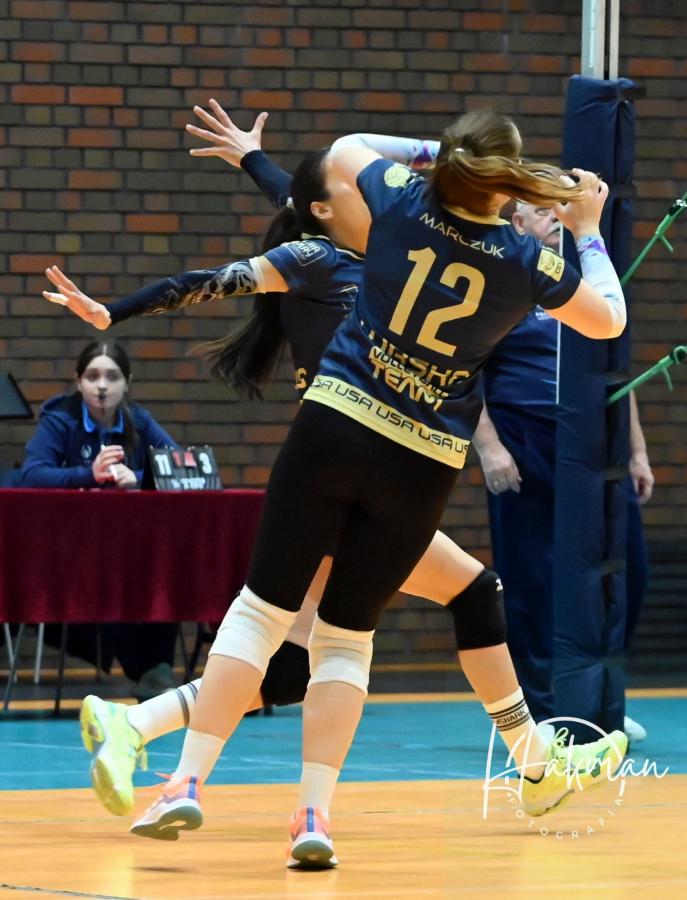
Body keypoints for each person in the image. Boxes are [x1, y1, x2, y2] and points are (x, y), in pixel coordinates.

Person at [45, 110, 629, 868]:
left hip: (337, 427)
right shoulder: (521, 260)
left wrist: (431, 154)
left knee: (266, 622)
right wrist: (587, 229)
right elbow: (607, 320)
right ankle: (315, 809)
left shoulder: (395, 206)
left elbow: (343, 156)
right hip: (420, 459)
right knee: (346, 640)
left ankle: (179, 775)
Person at [472, 201, 653, 743]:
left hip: (596, 446)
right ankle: (543, 711)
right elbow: (463, 374)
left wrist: (636, 450)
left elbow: (615, 371)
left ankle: (602, 701)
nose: (555, 216)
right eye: (541, 210)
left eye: (561, 209)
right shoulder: (501, 283)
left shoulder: (586, 285)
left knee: (626, 567)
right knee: (531, 577)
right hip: (525, 440)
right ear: (517, 224)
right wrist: (489, 448)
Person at [19, 340, 180, 699]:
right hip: (69, 549)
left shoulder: (139, 420)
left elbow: (180, 464)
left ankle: (158, 670)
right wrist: (89, 475)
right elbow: (32, 475)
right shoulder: (61, 419)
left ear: (127, 382)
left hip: (131, 545)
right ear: (79, 381)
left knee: (165, 568)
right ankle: (150, 673)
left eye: (112, 376)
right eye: (93, 377)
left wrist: (139, 477)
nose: (102, 386)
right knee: (101, 576)